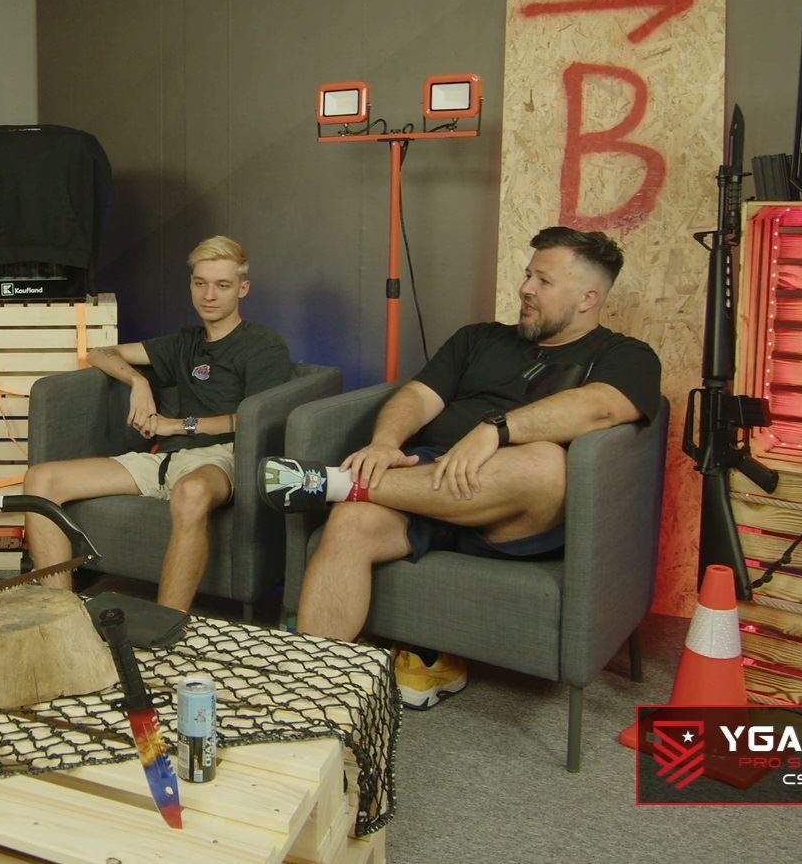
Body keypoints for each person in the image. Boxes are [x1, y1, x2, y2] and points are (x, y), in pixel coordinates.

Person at [261, 226, 660, 709]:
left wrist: (497, 429)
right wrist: (385, 442)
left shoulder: (624, 355)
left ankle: (336, 484)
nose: (526, 288)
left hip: (512, 513)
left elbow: (602, 406)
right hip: (423, 487)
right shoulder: (479, 339)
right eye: (528, 275)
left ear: (587, 298)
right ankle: (310, 692)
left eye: (544, 281)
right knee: (349, 522)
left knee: (547, 464)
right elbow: (416, 395)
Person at [24, 236, 294, 612]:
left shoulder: (263, 346)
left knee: (192, 491)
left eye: (222, 285)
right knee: (41, 480)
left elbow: (255, 418)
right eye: (200, 283)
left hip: (222, 457)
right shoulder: (184, 343)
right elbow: (99, 353)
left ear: (242, 288)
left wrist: (179, 426)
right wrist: (138, 382)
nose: (209, 295)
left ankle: (166, 621)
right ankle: (62, 613)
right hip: (162, 460)